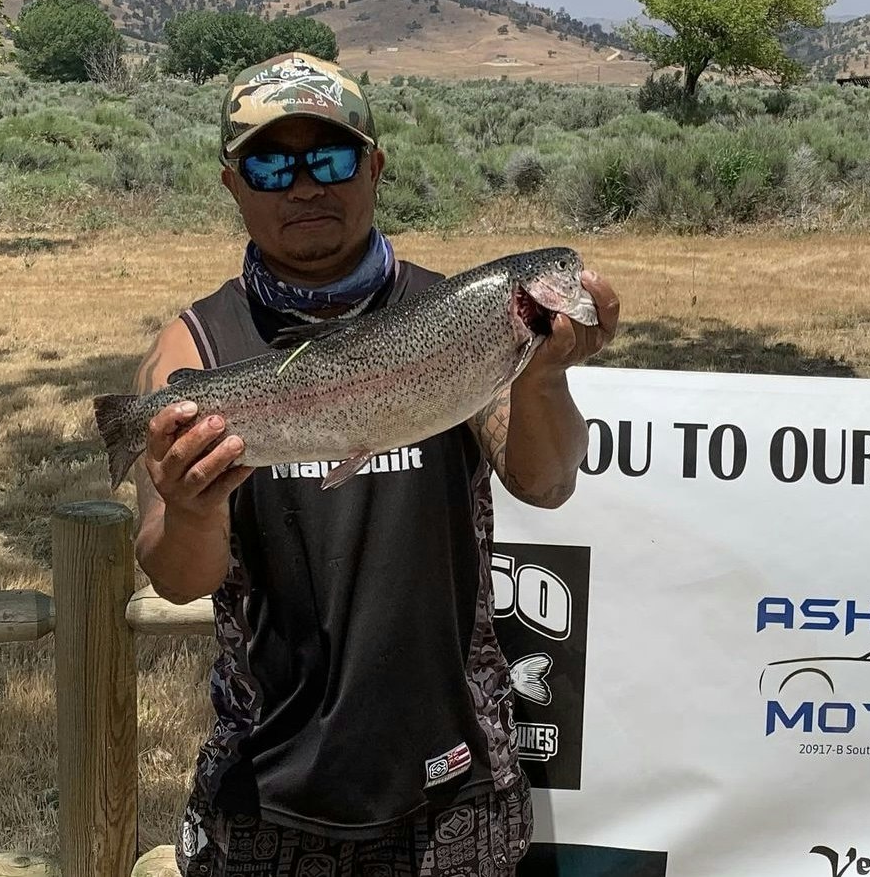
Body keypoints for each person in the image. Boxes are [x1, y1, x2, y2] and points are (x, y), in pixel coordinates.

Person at [130, 51, 620, 877]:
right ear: (232, 182)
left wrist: (543, 371)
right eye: (270, 162)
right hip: (267, 783)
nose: (305, 185)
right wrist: (191, 509)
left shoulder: (458, 315)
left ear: (374, 165)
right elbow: (177, 576)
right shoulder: (191, 355)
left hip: (453, 779)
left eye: (329, 157)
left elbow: (547, 479)